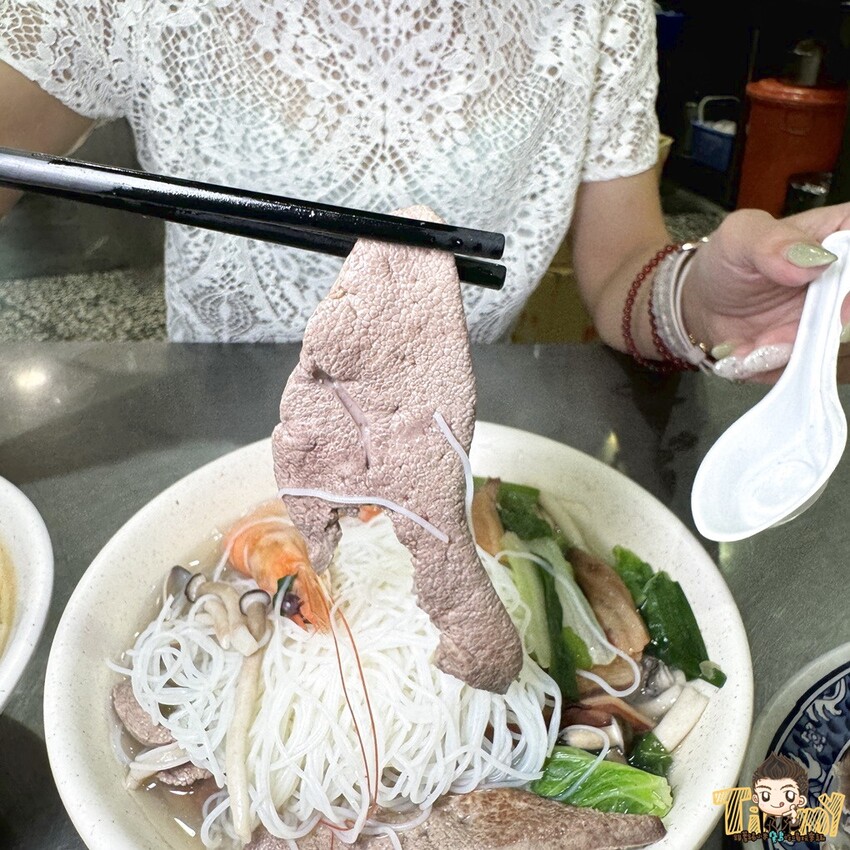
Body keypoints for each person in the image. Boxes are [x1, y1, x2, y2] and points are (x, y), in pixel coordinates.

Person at [0, 0, 848, 379]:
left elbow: (623, 264)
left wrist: (702, 305)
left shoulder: (598, 11)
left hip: (456, 443)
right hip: (205, 437)